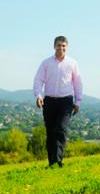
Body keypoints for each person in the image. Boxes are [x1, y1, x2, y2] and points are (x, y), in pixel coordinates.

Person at [33, 36, 83, 168]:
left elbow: (77, 82)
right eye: (59, 45)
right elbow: (38, 80)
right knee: (50, 132)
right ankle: (52, 162)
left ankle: (58, 161)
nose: (61, 48)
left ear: (67, 47)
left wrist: (78, 101)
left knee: (61, 129)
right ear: (54, 46)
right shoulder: (46, 63)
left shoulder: (72, 63)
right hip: (49, 101)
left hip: (66, 101)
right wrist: (38, 95)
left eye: (63, 45)